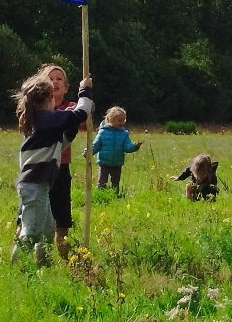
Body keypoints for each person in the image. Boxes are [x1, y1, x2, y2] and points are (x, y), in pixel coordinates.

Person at [11, 69, 93, 265]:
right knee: (32, 231)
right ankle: (16, 267)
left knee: (48, 229)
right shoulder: (46, 119)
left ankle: (44, 265)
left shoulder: (43, 122)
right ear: (48, 99)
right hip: (34, 187)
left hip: (39, 186)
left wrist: (71, 123)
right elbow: (80, 113)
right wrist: (85, 91)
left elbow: (61, 142)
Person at [46, 64, 88, 258]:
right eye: (50, 78)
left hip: (60, 168)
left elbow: (82, 120)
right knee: (30, 215)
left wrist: (86, 94)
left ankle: (65, 258)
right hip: (38, 168)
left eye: (59, 79)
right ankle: (27, 257)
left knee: (62, 217)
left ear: (65, 86)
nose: (54, 82)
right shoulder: (36, 107)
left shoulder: (71, 107)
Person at [91, 106, 143, 192]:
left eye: (123, 120)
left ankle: (115, 195)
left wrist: (135, 146)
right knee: (102, 182)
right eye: (119, 120)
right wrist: (88, 152)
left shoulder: (124, 134)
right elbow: (95, 145)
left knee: (115, 182)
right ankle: (100, 195)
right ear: (111, 119)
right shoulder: (102, 132)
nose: (122, 122)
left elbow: (127, 147)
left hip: (117, 163)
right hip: (104, 162)